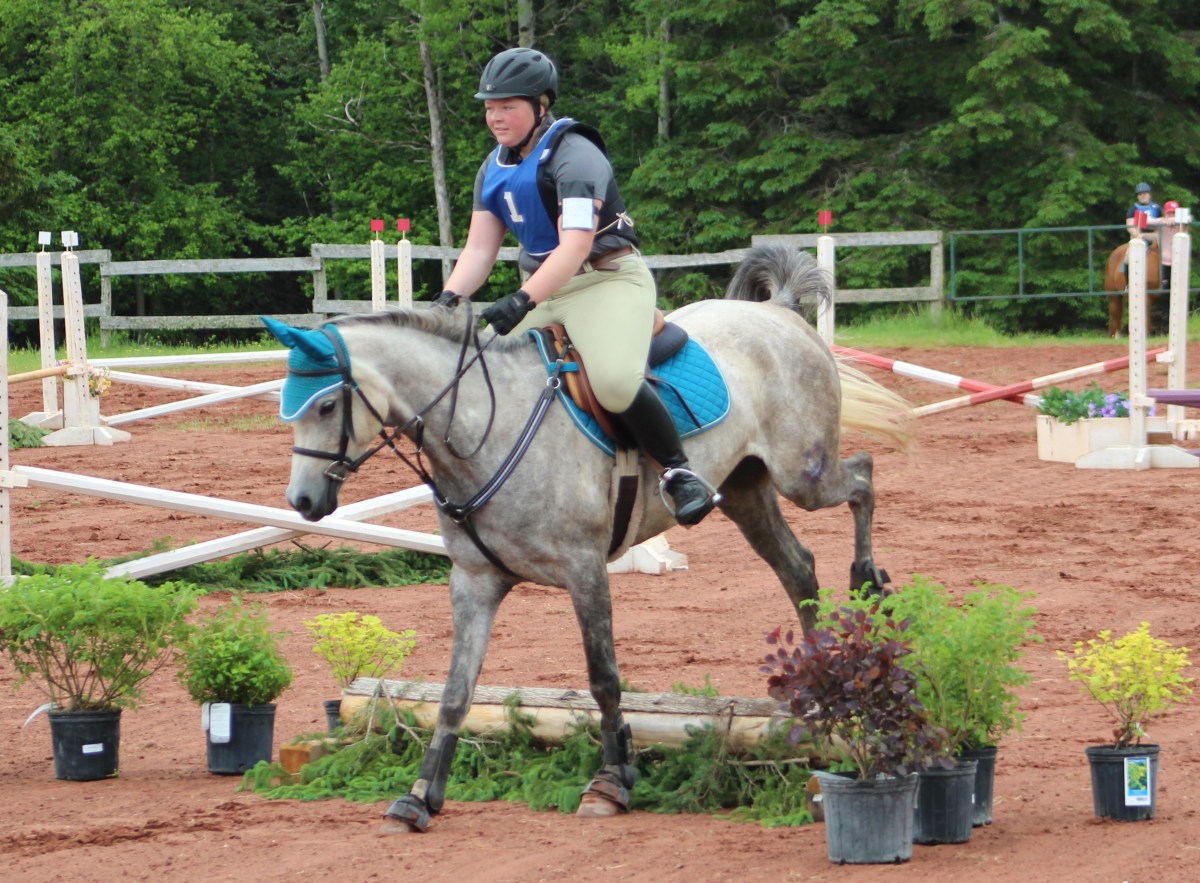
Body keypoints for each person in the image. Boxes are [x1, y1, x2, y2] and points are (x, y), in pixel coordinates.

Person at [432, 47, 719, 526]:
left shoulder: (576, 154)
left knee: (613, 382)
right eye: (489, 107)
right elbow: (479, 250)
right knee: (477, 368)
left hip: (606, 279)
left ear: (540, 105)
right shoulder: (492, 167)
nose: (495, 117)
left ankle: (678, 473)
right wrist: (447, 300)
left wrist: (522, 299)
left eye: (507, 107)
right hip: (549, 288)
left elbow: (576, 245)